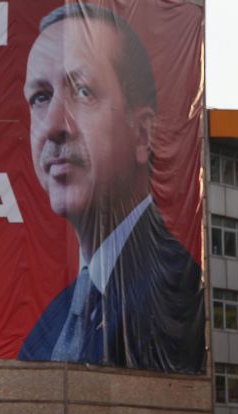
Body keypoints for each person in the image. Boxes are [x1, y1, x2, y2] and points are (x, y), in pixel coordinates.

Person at [17, 3, 204, 374]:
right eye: (41, 97)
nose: (54, 124)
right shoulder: (47, 327)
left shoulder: (180, 292)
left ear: (143, 134)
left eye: (83, 91)